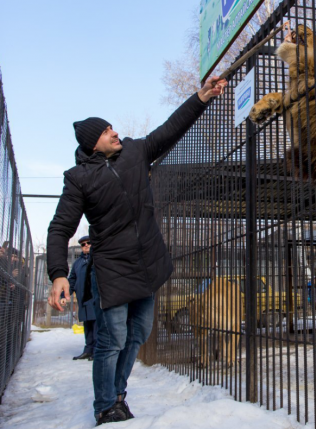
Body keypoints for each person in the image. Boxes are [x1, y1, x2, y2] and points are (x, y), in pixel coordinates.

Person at [46, 76, 227, 426]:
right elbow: (60, 228)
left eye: (113, 128)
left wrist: (200, 97)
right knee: (111, 339)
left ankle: (117, 394)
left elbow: (168, 130)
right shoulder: (78, 178)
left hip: (147, 263)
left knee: (138, 335)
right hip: (113, 269)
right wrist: (57, 274)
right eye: (107, 132)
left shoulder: (134, 152)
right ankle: (105, 406)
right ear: (92, 145)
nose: (115, 133)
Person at [66, 235, 96, 360]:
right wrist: (65, 294)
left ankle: (96, 351)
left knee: (96, 325)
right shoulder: (77, 263)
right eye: (83, 244)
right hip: (83, 299)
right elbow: (72, 279)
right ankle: (88, 350)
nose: (86, 245)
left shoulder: (97, 259)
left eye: (89, 243)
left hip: (95, 298)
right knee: (87, 325)